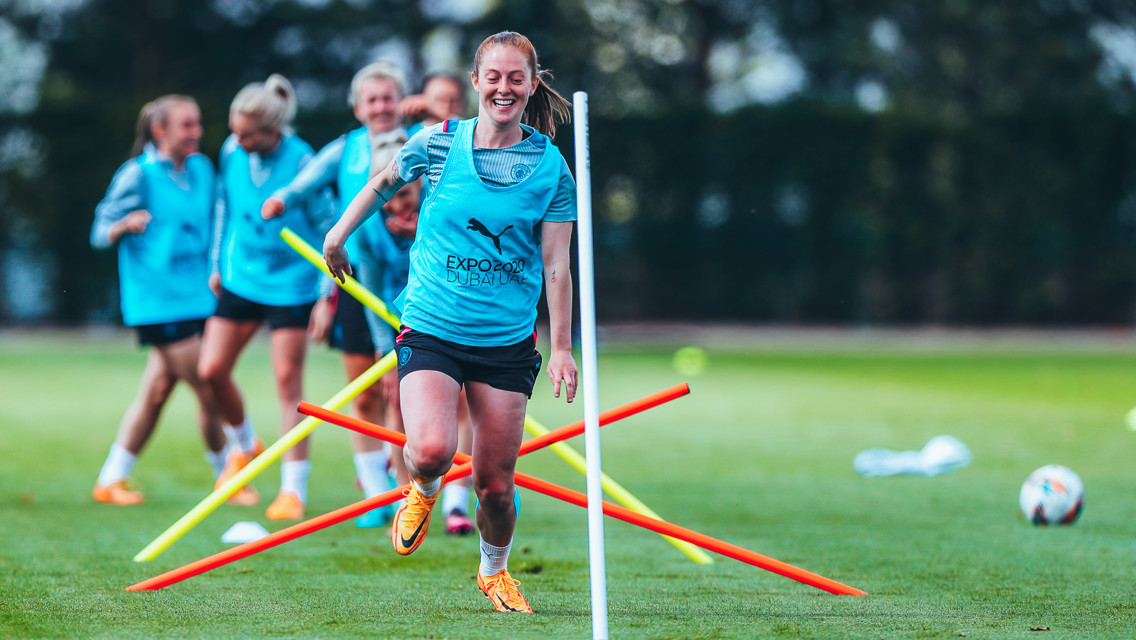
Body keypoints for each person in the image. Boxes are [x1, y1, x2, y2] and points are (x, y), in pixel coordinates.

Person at [323, 31, 578, 613]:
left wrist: (561, 347)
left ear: (532, 85)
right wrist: (338, 235)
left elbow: (557, 264)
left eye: (517, 78)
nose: (504, 88)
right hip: (432, 325)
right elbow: (381, 183)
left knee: (495, 484)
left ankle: (494, 571)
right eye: (494, 77)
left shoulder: (550, 169)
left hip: (507, 342)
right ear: (476, 83)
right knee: (433, 449)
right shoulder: (437, 142)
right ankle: (424, 487)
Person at [262, 61, 410, 527]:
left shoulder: (422, 142)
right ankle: (375, 493)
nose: (381, 107)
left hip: (412, 284)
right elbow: (306, 182)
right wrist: (283, 198)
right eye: (372, 99)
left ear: (400, 101)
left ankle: (417, 493)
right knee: (365, 391)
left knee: (405, 396)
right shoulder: (345, 150)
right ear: (357, 107)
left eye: (388, 97)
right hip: (355, 277)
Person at [198, 74, 334, 519]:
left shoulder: (303, 161)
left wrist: (323, 296)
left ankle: (292, 489)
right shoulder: (232, 152)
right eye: (234, 131)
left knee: (287, 385)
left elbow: (326, 228)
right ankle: (246, 443)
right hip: (241, 278)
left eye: (246, 133)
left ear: (272, 131)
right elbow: (225, 207)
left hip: (291, 285)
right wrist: (217, 263)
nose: (236, 140)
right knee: (211, 369)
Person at [90, 95, 227, 505]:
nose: (196, 133)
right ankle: (229, 474)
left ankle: (111, 478)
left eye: (198, 123)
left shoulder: (202, 169)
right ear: (159, 131)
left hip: (199, 298)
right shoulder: (138, 175)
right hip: (156, 303)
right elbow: (99, 231)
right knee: (208, 384)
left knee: (156, 393)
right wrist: (123, 226)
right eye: (187, 125)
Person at [399, 70, 479, 537]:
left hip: (470, 296)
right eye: (436, 102)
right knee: (406, 409)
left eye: (453, 102)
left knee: (466, 404)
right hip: (414, 294)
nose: (446, 110)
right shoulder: (413, 146)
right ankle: (409, 487)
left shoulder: (478, 150)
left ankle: (454, 501)